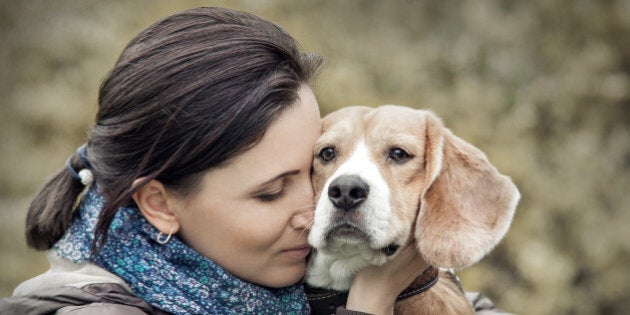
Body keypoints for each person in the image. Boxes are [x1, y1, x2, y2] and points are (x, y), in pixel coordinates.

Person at [0, 7, 429, 315]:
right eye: (271, 192)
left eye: (317, 168)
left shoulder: (281, 271)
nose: (314, 210)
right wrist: (371, 303)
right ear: (160, 205)